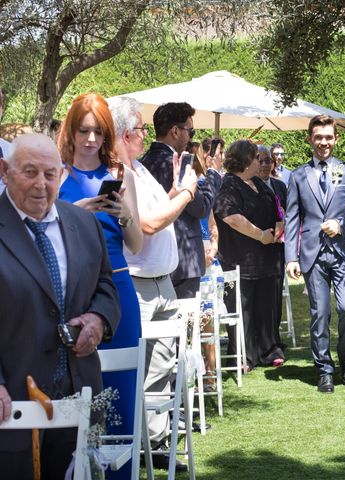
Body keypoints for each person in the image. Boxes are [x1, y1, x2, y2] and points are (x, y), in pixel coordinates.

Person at [0, 133, 120, 479]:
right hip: (14, 403)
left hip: (80, 397)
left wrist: (98, 318)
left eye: (50, 174)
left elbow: (106, 285)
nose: (41, 184)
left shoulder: (83, 224)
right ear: (5, 172)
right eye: (29, 172)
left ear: (61, 174)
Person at [107, 96, 198, 471]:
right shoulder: (119, 173)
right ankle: (139, 442)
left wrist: (176, 191)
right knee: (142, 369)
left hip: (162, 282)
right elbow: (146, 224)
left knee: (162, 365)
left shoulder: (140, 170)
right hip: (141, 284)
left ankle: (157, 444)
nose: (146, 134)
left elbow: (158, 212)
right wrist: (189, 193)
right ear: (126, 133)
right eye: (142, 128)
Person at [57, 93, 142, 480]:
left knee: (121, 395)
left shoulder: (122, 175)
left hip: (119, 292)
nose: (90, 139)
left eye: (97, 131)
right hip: (72, 294)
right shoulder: (56, 175)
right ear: (71, 132)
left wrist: (123, 214)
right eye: (83, 130)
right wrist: (79, 212)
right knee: (78, 395)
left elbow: (137, 243)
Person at [285, 114, 345, 393]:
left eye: (328, 137)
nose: (323, 142)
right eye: (318, 137)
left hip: (343, 251)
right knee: (319, 313)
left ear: (336, 139)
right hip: (312, 254)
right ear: (310, 139)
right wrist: (290, 257)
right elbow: (292, 219)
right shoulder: (297, 176)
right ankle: (324, 368)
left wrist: (342, 224)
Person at [213, 140, 285, 370]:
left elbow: (276, 208)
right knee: (241, 308)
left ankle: (269, 350)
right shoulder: (229, 185)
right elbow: (231, 217)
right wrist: (259, 235)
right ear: (245, 160)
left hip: (268, 258)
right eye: (257, 158)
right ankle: (244, 356)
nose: (262, 162)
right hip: (240, 259)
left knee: (268, 306)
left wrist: (279, 226)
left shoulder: (259, 183)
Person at [141, 102, 221, 300]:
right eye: (190, 131)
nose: (190, 137)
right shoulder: (178, 164)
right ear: (175, 131)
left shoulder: (142, 163)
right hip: (184, 264)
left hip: (154, 259)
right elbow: (202, 207)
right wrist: (213, 173)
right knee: (187, 328)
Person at [257, 145, 288, 348]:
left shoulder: (280, 186)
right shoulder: (249, 186)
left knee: (276, 296)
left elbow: (289, 212)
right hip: (258, 248)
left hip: (278, 248)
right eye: (261, 161)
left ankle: (274, 340)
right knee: (260, 299)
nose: (266, 165)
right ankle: (260, 342)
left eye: (269, 160)